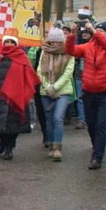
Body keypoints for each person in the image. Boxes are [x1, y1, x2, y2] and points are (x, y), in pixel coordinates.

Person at [66, 20, 106, 169]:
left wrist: (95, 31)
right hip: (88, 91)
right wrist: (72, 34)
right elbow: (70, 51)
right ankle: (97, 145)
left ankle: (97, 157)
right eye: (97, 31)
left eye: (102, 32)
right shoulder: (87, 47)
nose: (97, 34)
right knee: (91, 124)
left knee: (102, 123)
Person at [0, 33, 40, 161]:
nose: (9, 45)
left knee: (14, 124)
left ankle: (9, 148)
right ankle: (2, 142)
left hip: (16, 96)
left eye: (12, 42)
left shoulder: (22, 57)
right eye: (7, 42)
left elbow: (29, 75)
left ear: (16, 44)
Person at [37, 26, 75, 161]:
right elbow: (40, 71)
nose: (55, 44)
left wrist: (55, 87)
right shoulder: (44, 52)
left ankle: (58, 148)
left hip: (62, 91)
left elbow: (68, 73)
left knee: (58, 118)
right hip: (45, 90)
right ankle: (52, 145)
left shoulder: (69, 53)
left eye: (58, 41)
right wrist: (47, 87)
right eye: (52, 41)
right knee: (49, 119)